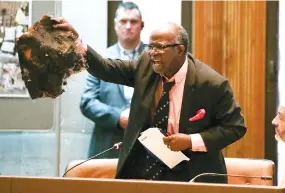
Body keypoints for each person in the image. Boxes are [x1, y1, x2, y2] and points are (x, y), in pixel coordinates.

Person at [53, 19, 246, 183]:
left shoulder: (212, 84)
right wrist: (77, 43)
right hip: (144, 170)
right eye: (150, 46)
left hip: (192, 174)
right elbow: (106, 68)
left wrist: (190, 141)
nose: (152, 53)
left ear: (180, 50)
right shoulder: (146, 66)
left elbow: (235, 127)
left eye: (160, 47)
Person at [80, 2, 145, 158]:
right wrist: (118, 117)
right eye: (123, 21)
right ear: (115, 25)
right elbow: (87, 102)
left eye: (134, 22)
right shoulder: (100, 60)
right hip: (108, 145)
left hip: (146, 147)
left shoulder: (155, 58)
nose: (128, 26)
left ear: (142, 25)